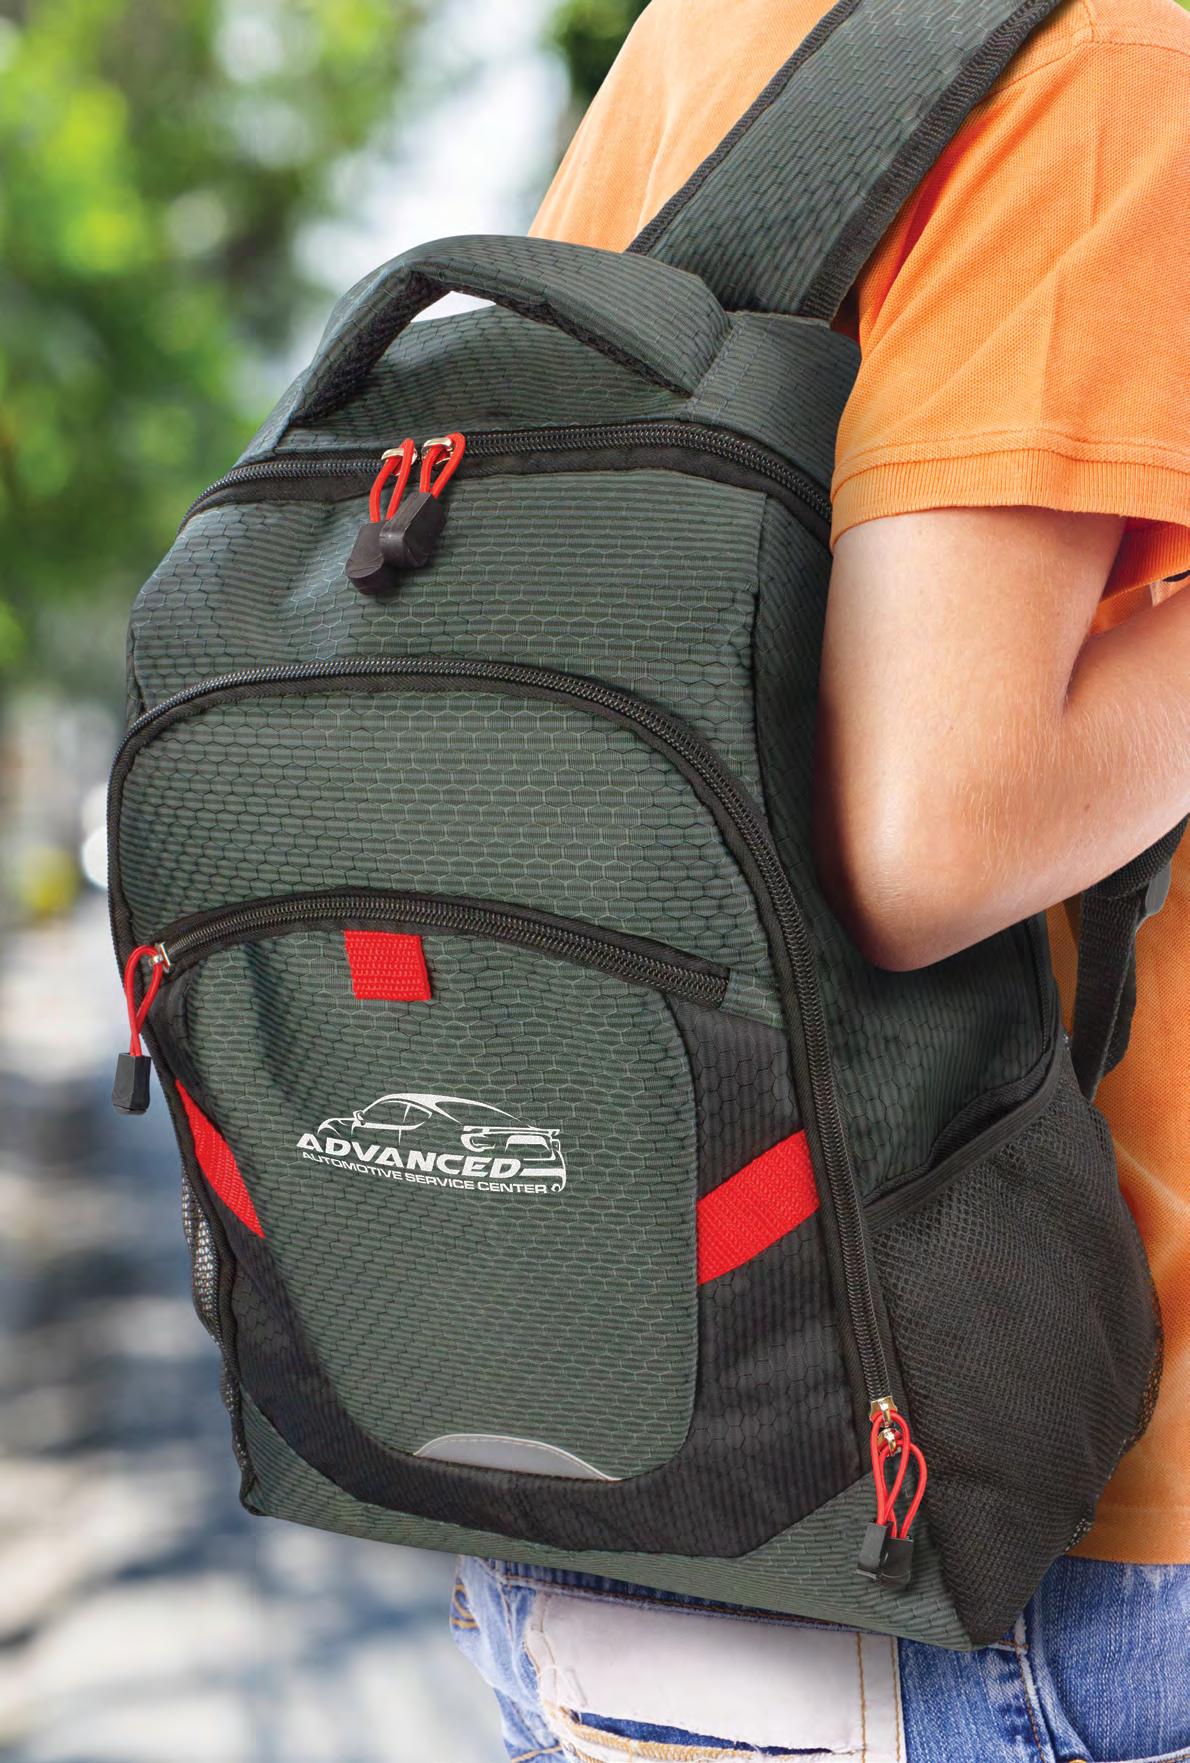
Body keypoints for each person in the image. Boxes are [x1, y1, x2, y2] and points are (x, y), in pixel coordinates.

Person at [450, 0, 1190, 1757]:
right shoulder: (1120, 63)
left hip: (651, 1441)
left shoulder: (703, 39)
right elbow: (932, 831)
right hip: (1023, 1546)